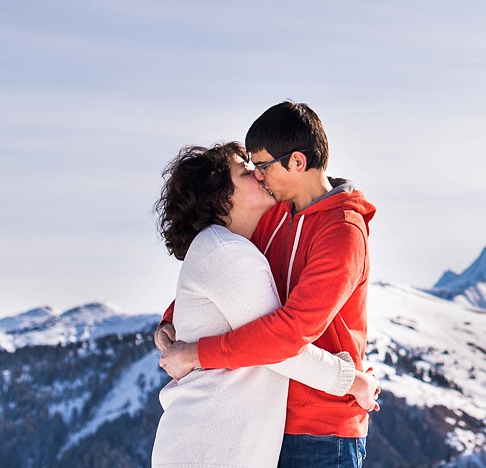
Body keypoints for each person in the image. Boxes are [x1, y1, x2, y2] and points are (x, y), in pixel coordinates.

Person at [159, 102, 377, 468]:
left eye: (261, 166)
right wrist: (171, 320)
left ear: (296, 162)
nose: (258, 176)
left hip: (320, 428)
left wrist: (196, 353)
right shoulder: (271, 214)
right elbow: (221, 279)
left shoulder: (342, 232)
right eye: (251, 169)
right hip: (269, 421)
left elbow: (289, 334)